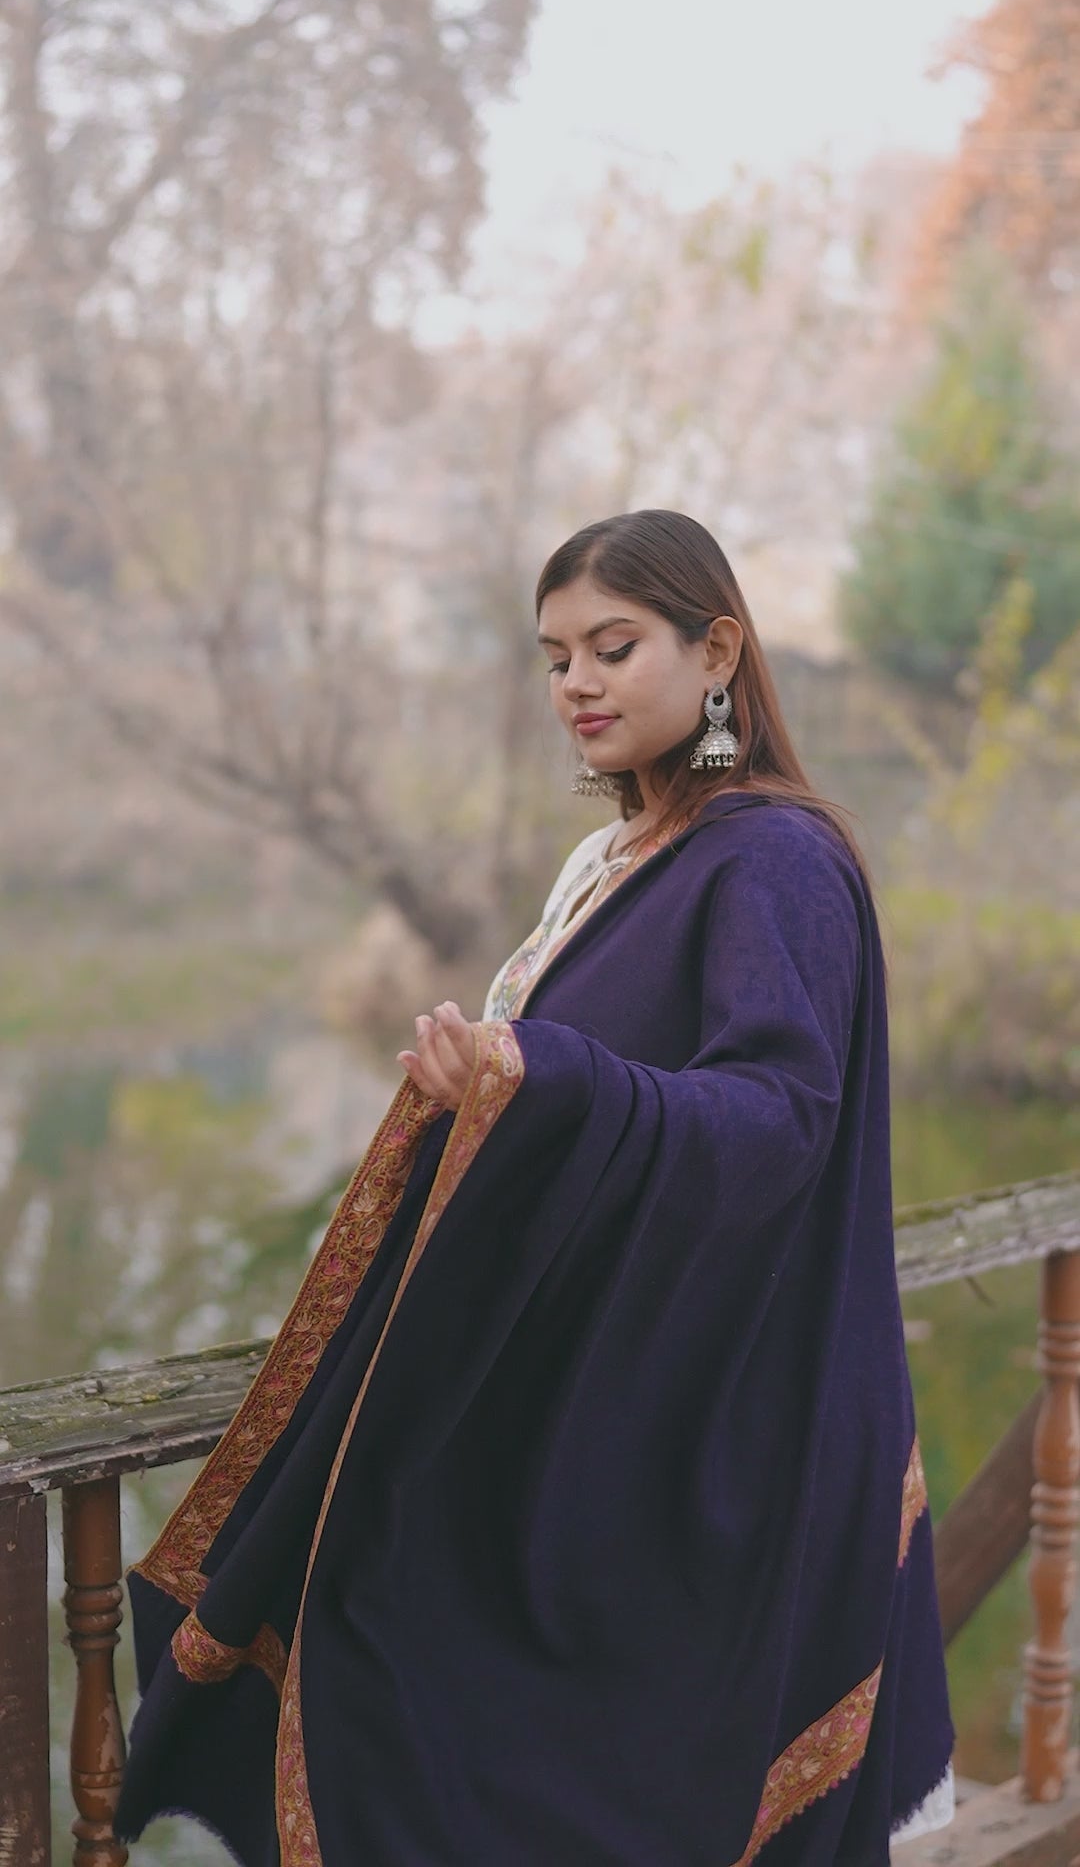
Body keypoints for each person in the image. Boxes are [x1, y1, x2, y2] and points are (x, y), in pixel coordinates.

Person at [115, 509, 954, 1865]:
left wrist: (541, 1072)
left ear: (718, 651)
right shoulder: (623, 856)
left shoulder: (774, 858)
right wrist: (487, 1092)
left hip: (726, 1439)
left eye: (613, 648)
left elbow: (779, 1119)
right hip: (608, 1398)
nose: (576, 683)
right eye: (556, 656)